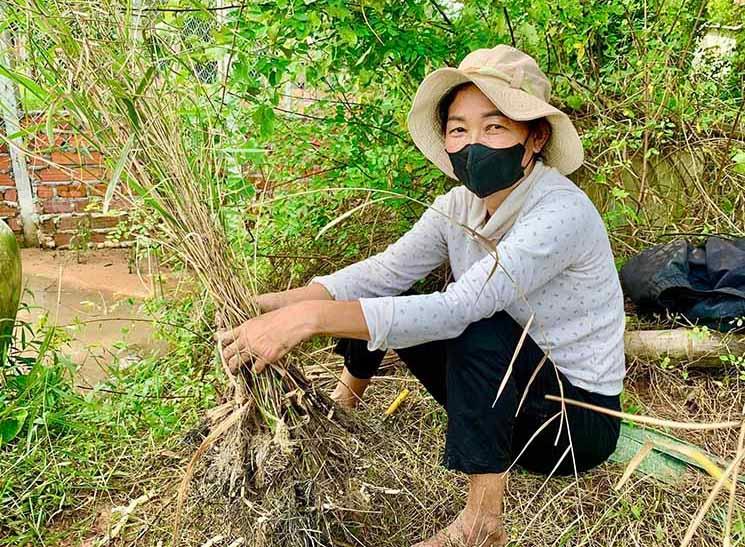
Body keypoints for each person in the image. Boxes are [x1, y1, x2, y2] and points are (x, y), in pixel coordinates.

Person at [217, 44, 626, 547]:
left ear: (535, 137)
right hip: (508, 403)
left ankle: (481, 524)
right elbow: (387, 270)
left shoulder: (560, 211)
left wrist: (310, 320)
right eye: (459, 129)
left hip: (573, 424)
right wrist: (280, 304)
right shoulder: (459, 203)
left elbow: (462, 308)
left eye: (494, 127)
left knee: (471, 319)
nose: (473, 143)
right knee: (397, 299)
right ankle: (346, 406)